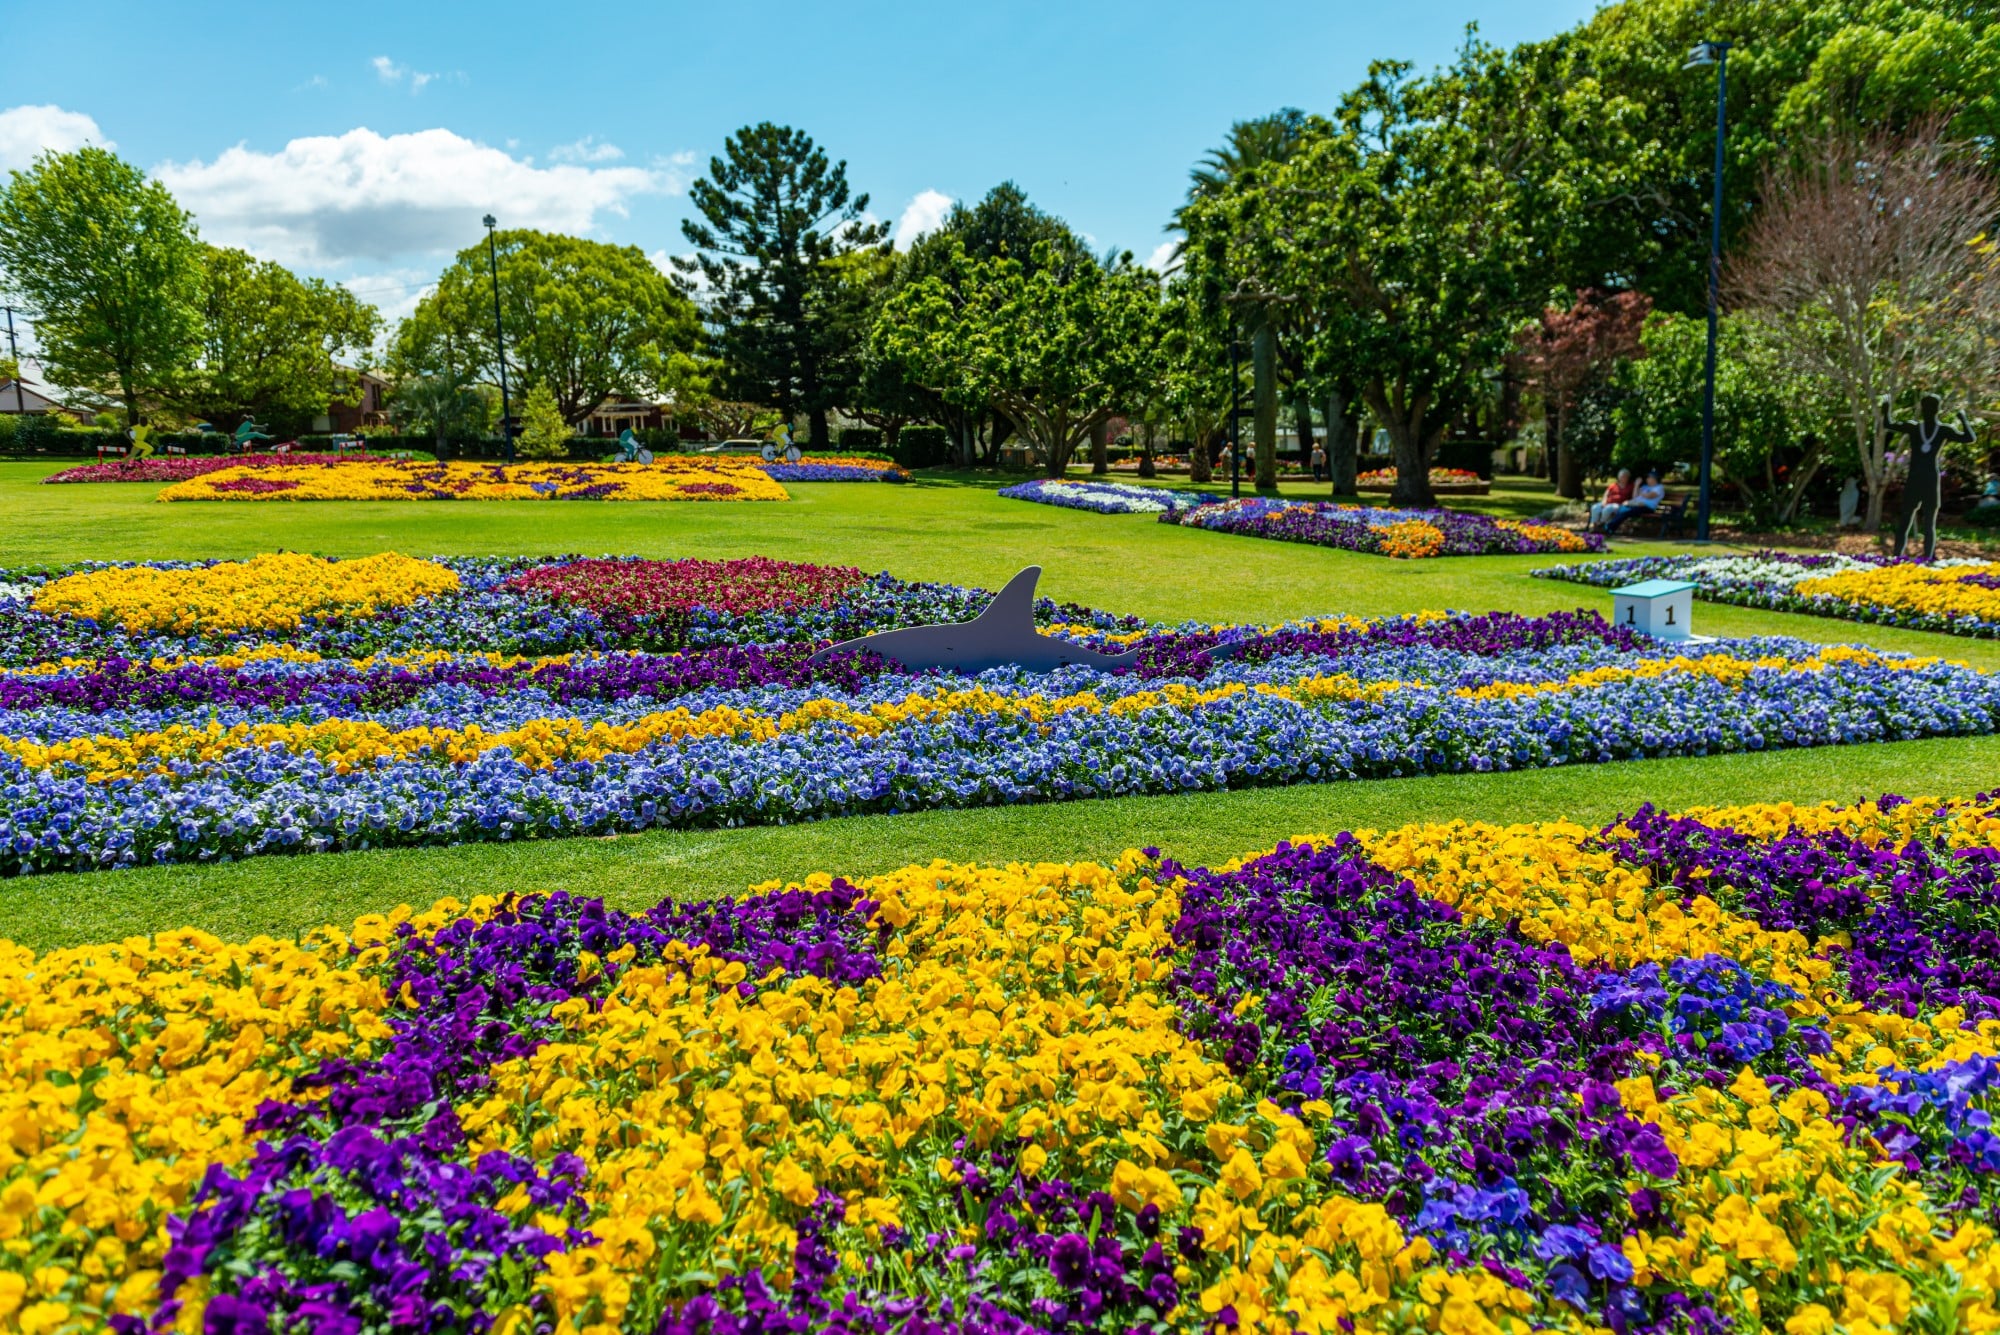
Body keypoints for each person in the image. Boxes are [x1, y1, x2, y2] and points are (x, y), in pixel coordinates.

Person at [1883, 394, 1975, 560]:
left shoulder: (1942, 430)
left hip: (1929, 479)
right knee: (1906, 519)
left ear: (1935, 410)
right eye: (1926, 408)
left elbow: (1969, 438)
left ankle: (1929, 556)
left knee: (1928, 523)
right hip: (1916, 478)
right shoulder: (1915, 427)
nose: (1927, 411)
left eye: (1929, 408)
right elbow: (1888, 424)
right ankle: (1897, 555)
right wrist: (1886, 409)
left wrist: (1963, 419)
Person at [1604, 470, 1665, 535]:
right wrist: (1636, 485)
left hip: (1647, 507)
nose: (1647, 479)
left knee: (1625, 511)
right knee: (1622, 509)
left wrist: (1637, 496)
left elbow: (1649, 496)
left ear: (1654, 479)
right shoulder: (1645, 487)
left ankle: (1609, 527)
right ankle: (1610, 528)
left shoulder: (1659, 487)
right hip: (1637, 505)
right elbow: (1635, 497)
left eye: (1649, 477)